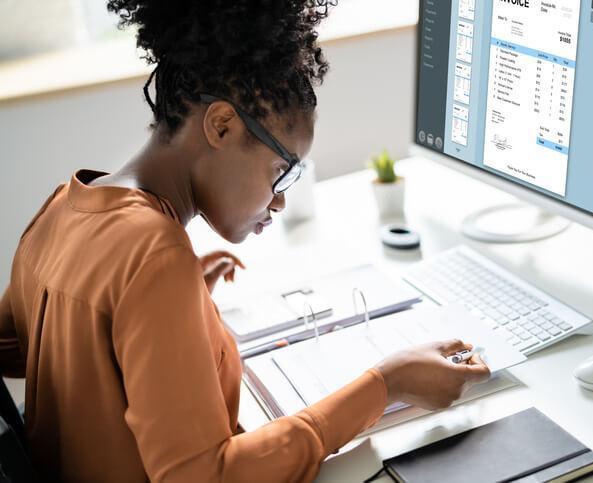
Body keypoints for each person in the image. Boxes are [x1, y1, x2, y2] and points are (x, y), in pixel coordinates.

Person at [0, 1, 490, 481]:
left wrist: (170, 314)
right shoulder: (153, 255)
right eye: (281, 171)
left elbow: (25, 351)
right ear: (221, 125)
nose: (278, 202)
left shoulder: (64, 205)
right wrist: (387, 385)